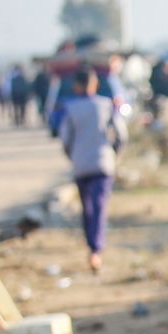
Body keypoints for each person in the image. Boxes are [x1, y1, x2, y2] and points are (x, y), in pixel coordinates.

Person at [58, 68, 127, 273]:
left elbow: (65, 138)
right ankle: (96, 249)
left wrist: (74, 156)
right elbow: (121, 134)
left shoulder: (70, 108)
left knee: (87, 207)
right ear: (94, 84)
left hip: (81, 164)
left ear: (76, 86)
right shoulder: (106, 105)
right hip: (102, 163)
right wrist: (113, 153)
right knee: (99, 206)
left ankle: (92, 245)